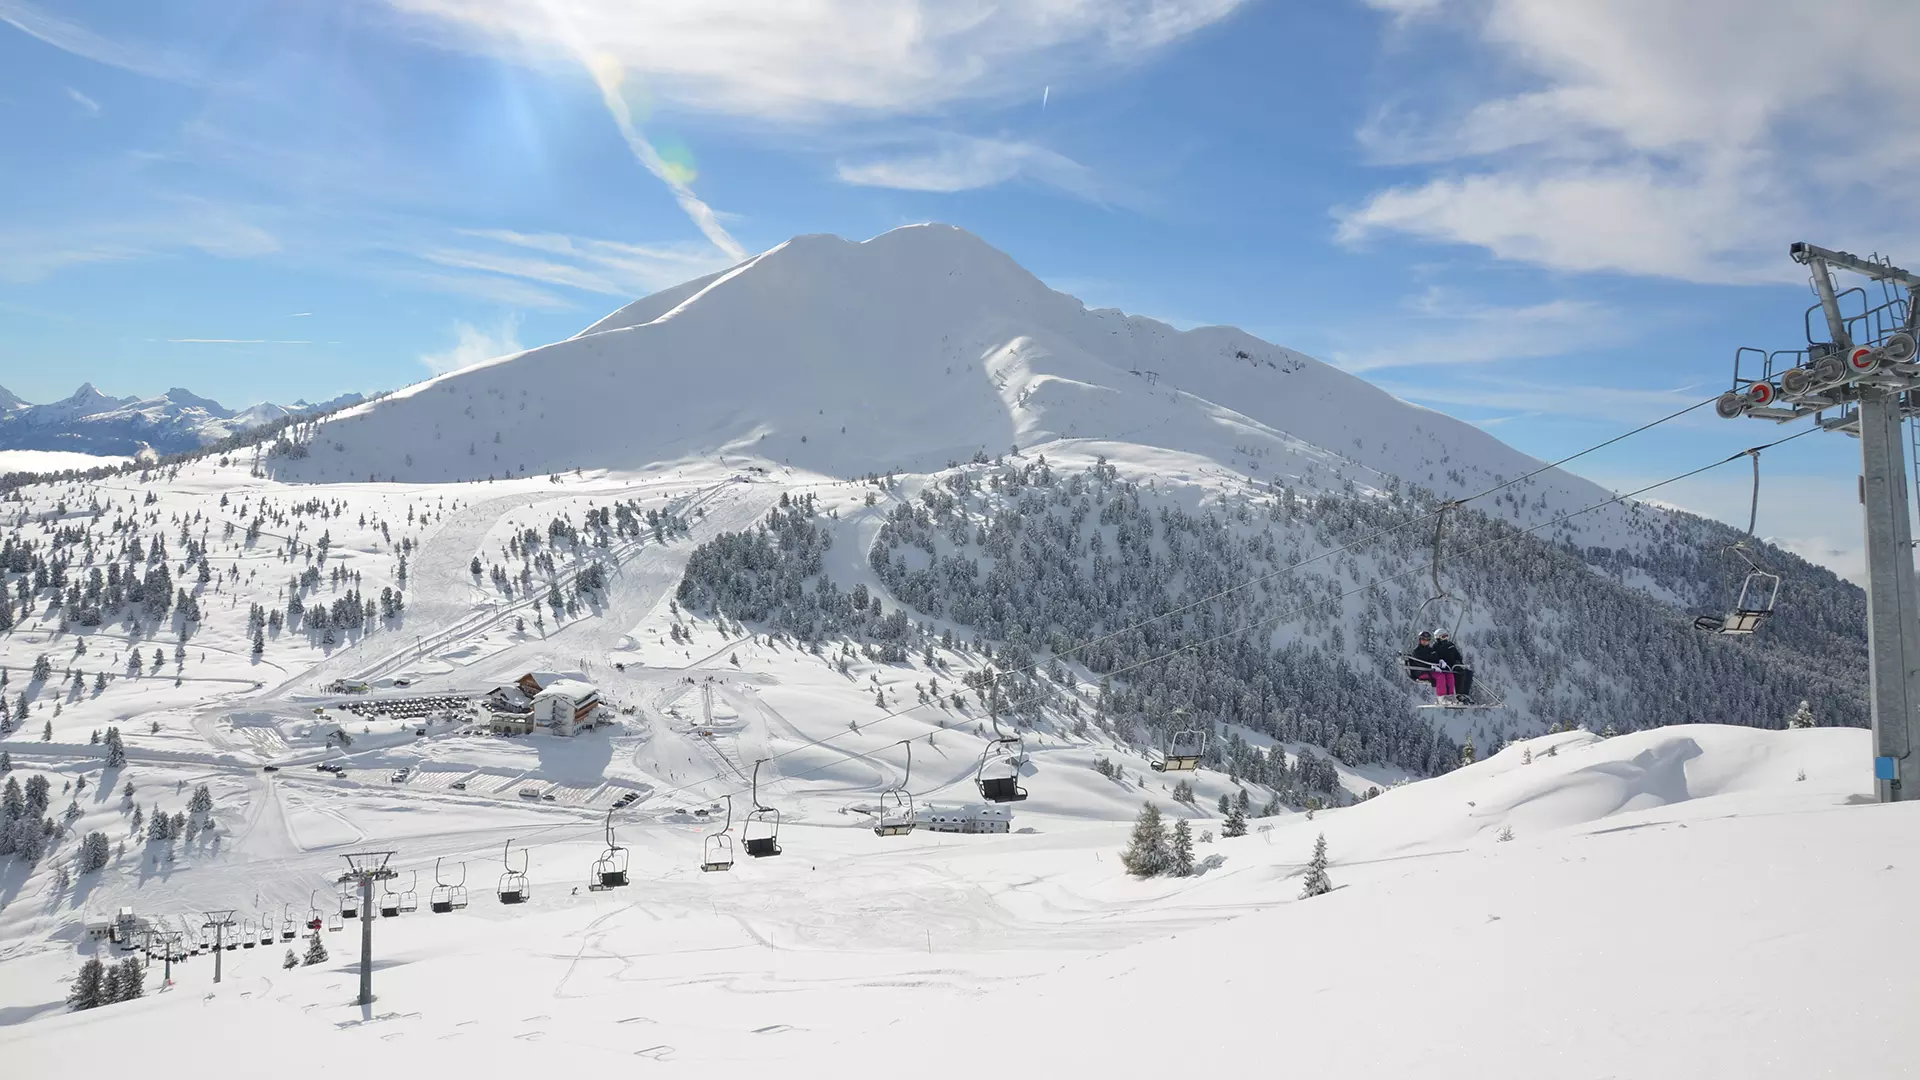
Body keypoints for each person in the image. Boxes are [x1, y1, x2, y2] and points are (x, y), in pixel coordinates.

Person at [1406, 631, 1454, 698]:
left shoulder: (1431, 650)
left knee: (1449, 675)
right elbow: (1419, 663)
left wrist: (1440, 661)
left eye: (1427, 640)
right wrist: (1431, 666)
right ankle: (1442, 697)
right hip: (1421, 672)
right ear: (1420, 640)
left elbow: (1435, 659)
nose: (1425, 641)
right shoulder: (1417, 651)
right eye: (1423, 639)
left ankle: (1450, 696)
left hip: (1431, 671)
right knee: (1440, 676)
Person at [1431, 630, 1473, 701]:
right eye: (1443, 637)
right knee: (1459, 673)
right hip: (1445, 667)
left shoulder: (1450, 645)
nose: (1446, 639)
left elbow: (1458, 656)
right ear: (1438, 637)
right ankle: (1459, 695)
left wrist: (1458, 662)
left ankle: (1465, 694)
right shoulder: (1436, 647)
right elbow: (1436, 658)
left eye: (1447, 636)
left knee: (1468, 672)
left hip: (1454, 665)